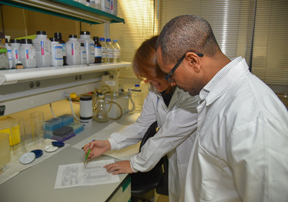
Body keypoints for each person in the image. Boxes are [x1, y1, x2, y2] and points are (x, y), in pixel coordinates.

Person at [156, 15, 288, 202]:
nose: (173, 83)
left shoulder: (254, 119)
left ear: (193, 61)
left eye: (170, 74)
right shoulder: (214, 96)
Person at [83, 35, 199, 201]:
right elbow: (142, 126)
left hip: (194, 165)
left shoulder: (192, 93)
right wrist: (109, 144)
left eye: (152, 75)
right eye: (146, 77)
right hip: (175, 164)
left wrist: (134, 163)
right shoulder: (155, 90)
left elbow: (167, 135)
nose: (147, 81)